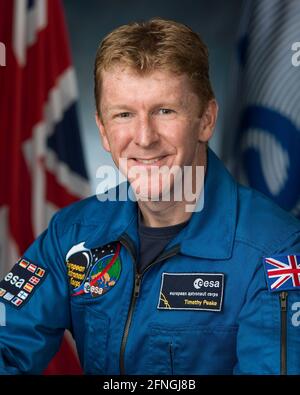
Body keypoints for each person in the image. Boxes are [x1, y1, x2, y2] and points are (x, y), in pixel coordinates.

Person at [0, 17, 300, 375]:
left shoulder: (275, 250)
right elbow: (7, 344)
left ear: (206, 119)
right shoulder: (73, 232)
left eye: (164, 111)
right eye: (124, 114)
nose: (144, 138)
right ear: (103, 130)